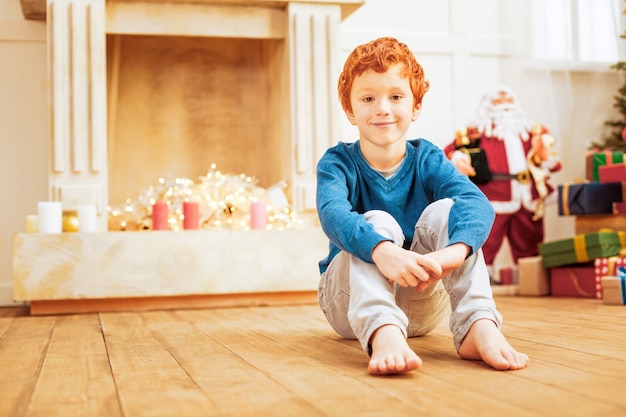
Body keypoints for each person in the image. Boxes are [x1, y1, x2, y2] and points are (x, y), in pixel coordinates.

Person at [315, 37, 529, 376]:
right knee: (376, 220)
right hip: (349, 306)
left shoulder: (428, 157)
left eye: (396, 97)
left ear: (415, 107)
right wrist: (381, 250)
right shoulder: (337, 163)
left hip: (422, 300)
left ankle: (478, 325)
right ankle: (383, 332)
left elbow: (476, 203)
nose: (383, 107)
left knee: (450, 211)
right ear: (350, 110)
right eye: (368, 98)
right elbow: (333, 214)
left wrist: (455, 253)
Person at [443, 86, 561, 283]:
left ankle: (529, 280)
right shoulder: (473, 135)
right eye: (498, 102)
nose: (504, 107)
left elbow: (553, 164)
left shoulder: (533, 133)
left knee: (530, 240)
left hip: (528, 196)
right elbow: (448, 153)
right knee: (486, 240)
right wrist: (458, 158)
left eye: (508, 101)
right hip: (493, 196)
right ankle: (481, 281)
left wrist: (544, 155)